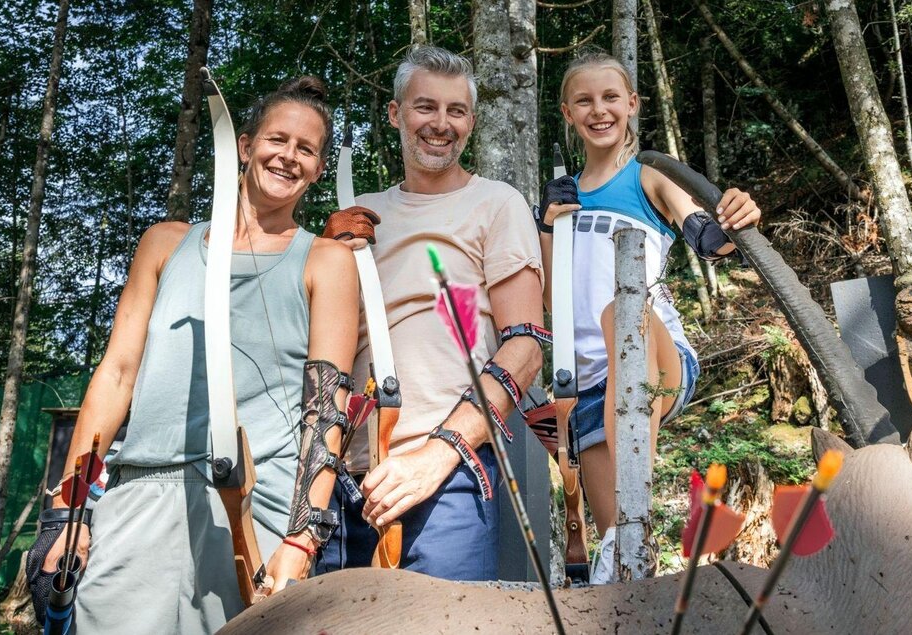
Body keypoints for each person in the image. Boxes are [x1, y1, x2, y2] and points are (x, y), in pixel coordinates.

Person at [28, 76, 359, 633]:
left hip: (255, 506)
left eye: (307, 149)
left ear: (320, 169)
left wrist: (301, 541)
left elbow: (327, 410)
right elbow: (116, 375)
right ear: (246, 144)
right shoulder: (165, 243)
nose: (289, 157)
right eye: (278, 140)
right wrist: (70, 509)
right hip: (140, 492)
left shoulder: (326, 262)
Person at [315, 45, 545, 581]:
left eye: (456, 111)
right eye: (425, 107)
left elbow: (526, 346)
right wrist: (326, 261)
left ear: (469, 122)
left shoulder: (496, 203)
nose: (440, 124)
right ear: (396, 114)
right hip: (344, 477)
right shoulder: (358, 214)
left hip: (447, 475)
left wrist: (438, 453)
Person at [536, 51, 762, 584]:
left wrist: (736, 216)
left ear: (632, 104)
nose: (599, 110)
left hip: (656, 355)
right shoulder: (560, 197)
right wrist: (547, 226)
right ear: (568, 113)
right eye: (584, 101)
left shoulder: (650, 177)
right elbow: (550, 304)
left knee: (624, 309)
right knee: (621, 552)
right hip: (588, 390)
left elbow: (708, 234)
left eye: (611, 97)